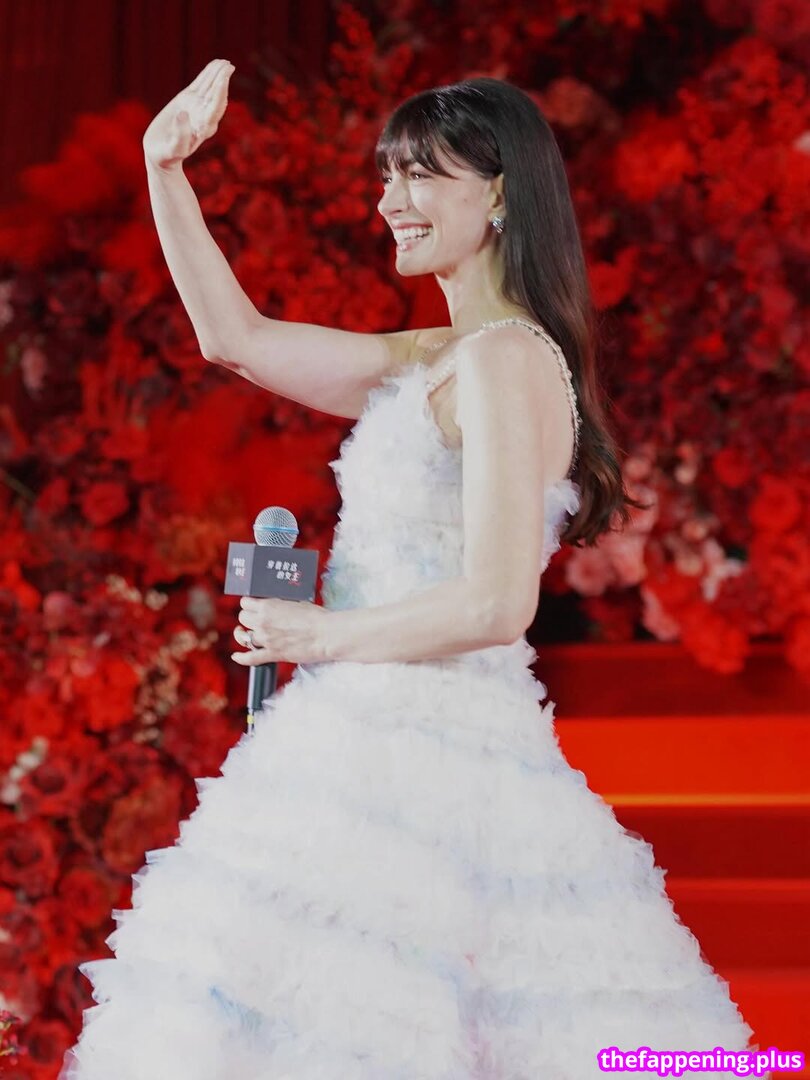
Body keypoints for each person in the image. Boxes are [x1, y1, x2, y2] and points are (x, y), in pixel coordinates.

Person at [60, 60, 765, 1080]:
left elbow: (497, 600)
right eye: (387, 175)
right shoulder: (442, 353)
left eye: (421, 175)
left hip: (430, 751)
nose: (390, 199)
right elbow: (236, 340)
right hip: (365, 734)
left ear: (500, 193)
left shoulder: (503, 360)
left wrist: (322, 635)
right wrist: (163, 169)